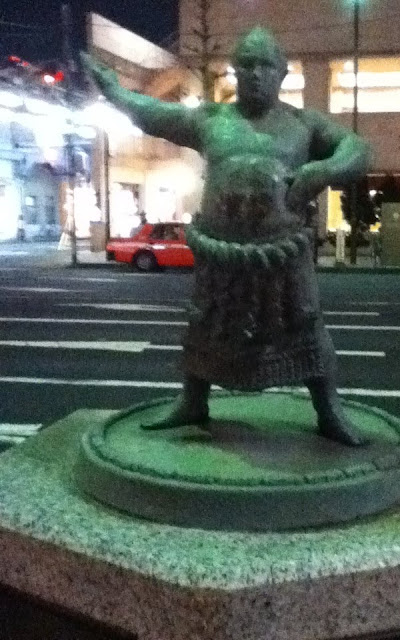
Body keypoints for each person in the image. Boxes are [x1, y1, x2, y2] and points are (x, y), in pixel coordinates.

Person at [82, 26, 371, 446]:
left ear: (283, 73)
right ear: (234, 72)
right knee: (205, 324)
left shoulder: (304, 125)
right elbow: (152, 114)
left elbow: (358, 148)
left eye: (264, 65)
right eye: (246, 65)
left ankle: (329, 411)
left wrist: (322, 170)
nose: (254, 73)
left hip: (281, 251)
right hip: (221, 250)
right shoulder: (211, 120)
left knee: (306, 325)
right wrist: (114, 91)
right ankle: (193, 402)